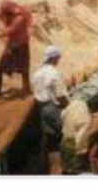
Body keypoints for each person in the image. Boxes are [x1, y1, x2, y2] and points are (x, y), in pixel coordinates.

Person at [31, 45, 70, 174]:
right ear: (54, 58)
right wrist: (70, 107)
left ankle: (55, 169)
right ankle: (69, 166)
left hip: (41, 109)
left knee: (52, 140)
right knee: (66, 135)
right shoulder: (54, 73)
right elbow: (60, 95)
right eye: (58, 58)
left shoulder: (36, 74)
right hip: (53, 108)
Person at [60, 94, 98, 174]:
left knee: (65, 167)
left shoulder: (76, 103)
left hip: (64, 140)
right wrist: (82, 152)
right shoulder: (86, 119)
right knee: (73, 171)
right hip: (73, 146)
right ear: (95, 108)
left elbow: (62, 115)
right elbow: (80, 138)